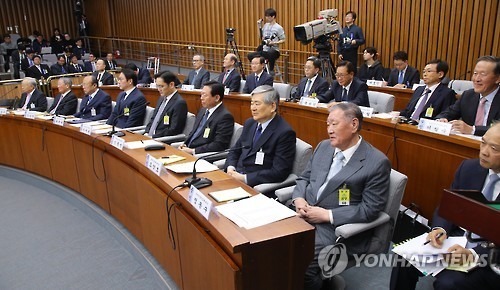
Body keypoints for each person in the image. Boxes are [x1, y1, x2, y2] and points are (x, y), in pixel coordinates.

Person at [389, 122, 500, 290]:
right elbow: (447, 206)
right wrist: (440, 229)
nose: (484, 152)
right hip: (457, 238)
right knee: (404, 258)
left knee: (449, 283)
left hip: (491, 255)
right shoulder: (469, 168)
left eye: (494, 148)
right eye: (483, 143)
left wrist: (474, 254)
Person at [292, 102, 391, 290]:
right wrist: (299, 199)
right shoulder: (323, 147)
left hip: (336, 229)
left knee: (301, 263)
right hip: (302, 214)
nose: (329, 129)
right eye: (327, 124)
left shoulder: (376, 162)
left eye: (334, 124)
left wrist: (327, 216)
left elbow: (370, 209)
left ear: (354, 124)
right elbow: (304, 178)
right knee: (270, 245)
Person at [224, 85, 296, 188]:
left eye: (257, 104)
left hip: (255, 186)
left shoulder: (285, 133)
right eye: (251, 103)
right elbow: (235, 150)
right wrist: (230, 168)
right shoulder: (250, 123)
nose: (253, 108)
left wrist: (245, 178)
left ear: (272, 107)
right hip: (234, 178)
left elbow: (279, 172)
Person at [436, 56, 500, 136]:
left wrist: (473, 130)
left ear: (497, 79)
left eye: (483, 74)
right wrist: (442, 119)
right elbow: (448, 113)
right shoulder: (468, 95)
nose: (477, 79)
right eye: (475, 73)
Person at [179, 81, 235, 154]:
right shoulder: (203, 110)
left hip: (201, 156)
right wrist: (185, 144)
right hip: (188, 150)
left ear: (217, 98)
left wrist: (193, 151)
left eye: (205, 95)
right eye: (201, 95)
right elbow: (194, 132)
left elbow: (219, 145)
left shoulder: (225, 117)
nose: (201, 98)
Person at [144, 71, 187, 138]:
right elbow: (153, 119)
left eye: (161, 86)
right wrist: (146, 132)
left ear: (171, 84)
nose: (159, 89)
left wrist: (153, 136)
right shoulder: (161, 98)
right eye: (157, 86)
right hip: (150, 137)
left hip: (162, 140)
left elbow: (174, 130)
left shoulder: (179, 103)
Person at [247, 8, 286, 74]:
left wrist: (274, 42)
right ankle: (260, 68)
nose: (267, 18)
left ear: (273, 16)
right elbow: (260, 36)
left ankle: (271, 69)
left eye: (268, 16)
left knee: (270, 52)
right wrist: (258, 26)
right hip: (265, 50)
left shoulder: (278, 27)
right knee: (250, 55)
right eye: (266, 16)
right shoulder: (265, 25)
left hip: (274, 50)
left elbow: (283, 40)